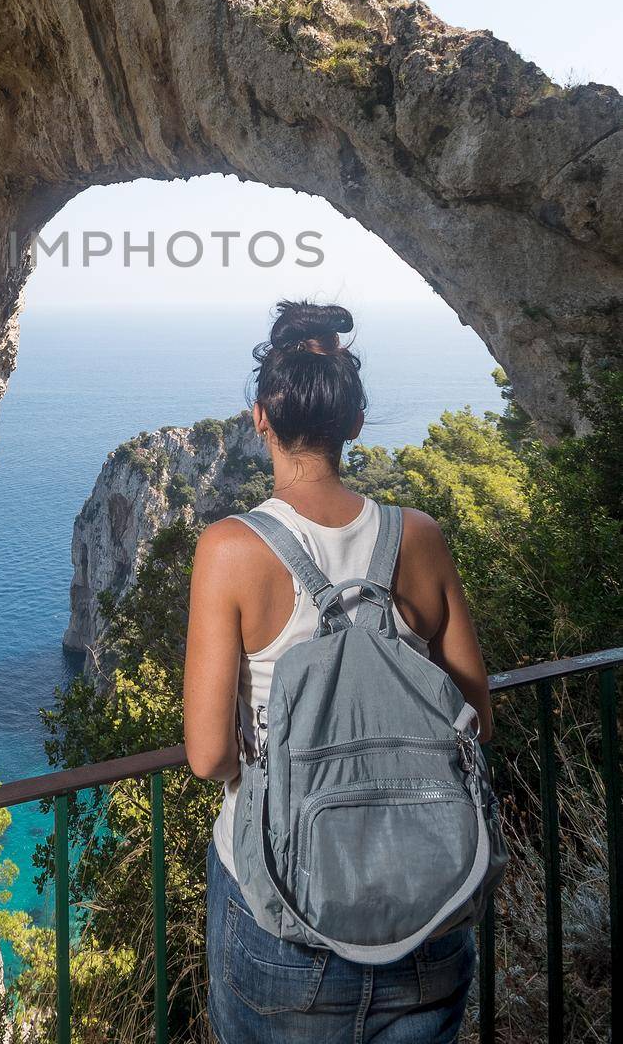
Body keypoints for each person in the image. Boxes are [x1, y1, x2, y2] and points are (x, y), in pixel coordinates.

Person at [183, 300, 493, 1043]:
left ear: (259, 417)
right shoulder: (417, 537)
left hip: (285, 918)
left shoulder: (229, 549)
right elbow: (477, 716)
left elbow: (207, 757)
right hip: (430, 901)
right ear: (355, 423)